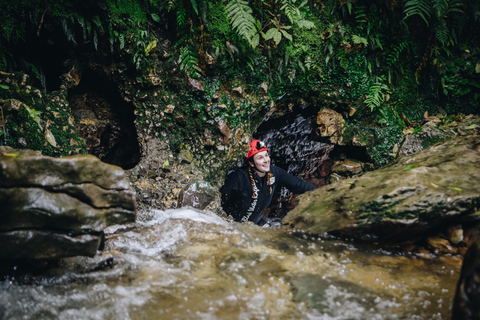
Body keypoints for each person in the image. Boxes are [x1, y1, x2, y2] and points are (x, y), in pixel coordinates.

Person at [220, 139, 316, 227]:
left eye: (266, 155)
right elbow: (217, 191)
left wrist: (322, 194)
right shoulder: (239, 177)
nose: (266, 160)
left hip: (256, 222)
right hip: (233, 223)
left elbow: (298, 185)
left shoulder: (274, 173)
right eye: (260, 158)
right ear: (251, 163)